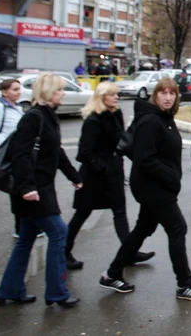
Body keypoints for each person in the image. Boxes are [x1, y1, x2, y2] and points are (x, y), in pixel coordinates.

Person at [100, 78, 191, 302]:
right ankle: (185, 284)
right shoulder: (151, 121)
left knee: (143, 228)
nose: (168, 98)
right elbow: (144, 158)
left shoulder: (164, 118)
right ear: (155, 95)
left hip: (157, 185)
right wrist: (170, 177)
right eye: (163, 93)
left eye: (172, 93)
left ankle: (112, 274)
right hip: (153, 187)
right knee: (177, 228)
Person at [0, 73, 82, 308]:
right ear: (47, 92)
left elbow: (56, 151)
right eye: (59, 90)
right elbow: (20, 155)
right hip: (33, 190)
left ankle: (10, 289)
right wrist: (27, 187)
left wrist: (74, 177)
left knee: (25, 240)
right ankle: (57, 292)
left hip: (39, 188)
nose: (63, 93)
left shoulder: (48, 115)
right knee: (59, 233)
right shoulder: (34, 117)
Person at [65, 82, 154, 270]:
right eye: (112, 94)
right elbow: (84, 153)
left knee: (119, 212)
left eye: (117, 94)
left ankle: (129, 252)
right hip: (94, 175)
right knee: (82, 213)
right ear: (102, 96)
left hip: (114, 172)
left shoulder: (115, 114)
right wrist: (103, 168)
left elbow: (121, 142)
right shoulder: (93, 119)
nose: (117, 97)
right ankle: (64, 251)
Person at [0, 78, 25, 237]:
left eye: (19, 89)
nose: (19, 92)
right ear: (4, 92)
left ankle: (20, 228)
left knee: (16, 190)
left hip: (13, 156)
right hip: (3, 155)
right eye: (15, 89)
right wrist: (7, 144)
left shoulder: (17, 107)